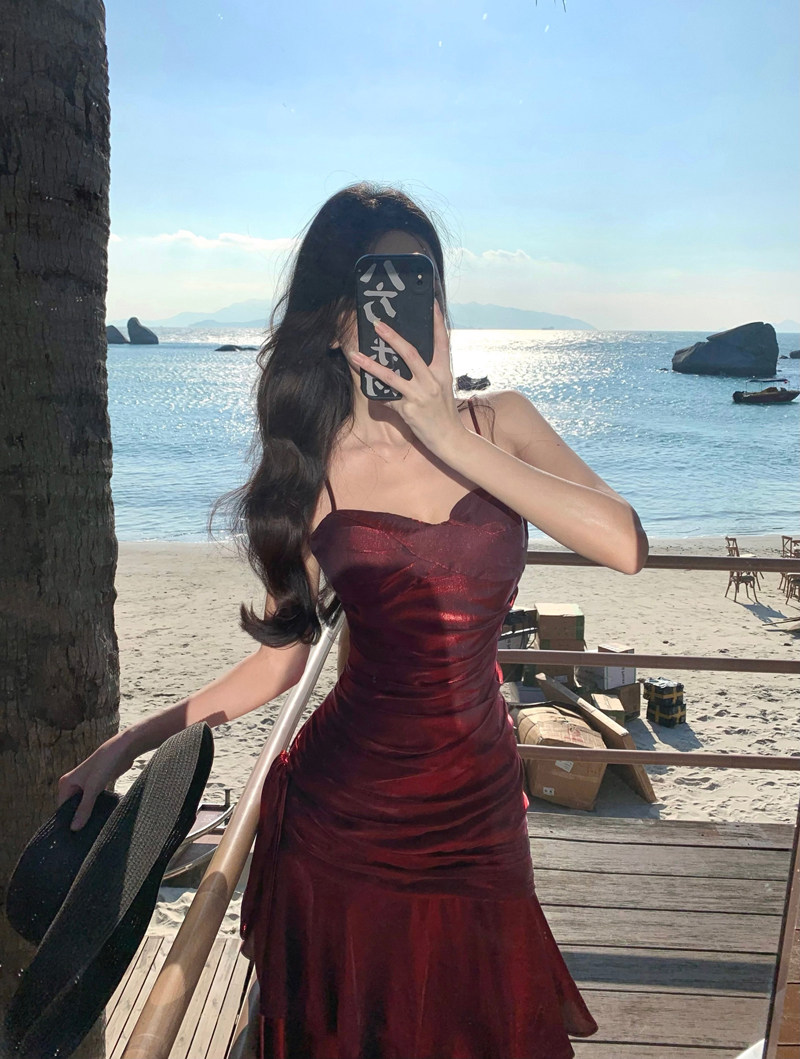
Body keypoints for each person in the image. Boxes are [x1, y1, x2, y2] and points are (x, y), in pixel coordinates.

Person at [59, 182, 648, 1059]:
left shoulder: (501, 424)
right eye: (379, 286)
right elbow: (279, 663)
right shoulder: (309, 469)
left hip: (481, 813)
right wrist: (128, 742)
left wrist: (448, 435)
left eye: (423, 281)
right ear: (337, 315)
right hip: (344, 822)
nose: (406, 308)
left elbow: (624, 543)